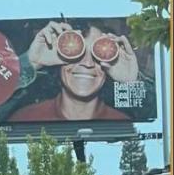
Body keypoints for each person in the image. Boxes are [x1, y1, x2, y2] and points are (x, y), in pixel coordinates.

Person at [9, 20, 139, 122]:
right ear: (59, 57)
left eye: (98, 55)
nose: (87, 63)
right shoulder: (25, 118)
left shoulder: (127, 124)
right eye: (76, 52)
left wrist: (132, 82)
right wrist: (31, 62)